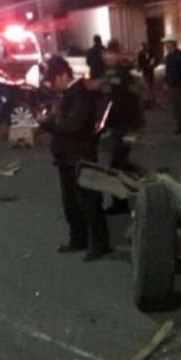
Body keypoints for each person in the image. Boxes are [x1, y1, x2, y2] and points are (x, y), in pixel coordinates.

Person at [38, 55, 112, 262]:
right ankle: (78, 239)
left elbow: (73, 126)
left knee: (89, 202)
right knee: (71, 203)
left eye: (53, 80)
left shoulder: (80, 93)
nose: (52, 86)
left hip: (80, 156)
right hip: (66, 159)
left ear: (62, 75)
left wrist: (48, 123)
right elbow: (63, 120)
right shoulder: (67, 95)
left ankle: (99, 244)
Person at [100, 39, 137, 214]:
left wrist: (134, 126)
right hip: (114, 124)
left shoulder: (123, 74)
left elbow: (132, 100)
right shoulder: (108, 73)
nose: (109, 55)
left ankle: (121, 203)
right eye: (107, 52)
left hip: (124, 125)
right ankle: (138, 186)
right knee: (120, 163)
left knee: (118, 164)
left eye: (112, 52)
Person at [137, 42, 158, 108]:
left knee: (151, 86)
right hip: (145, 71)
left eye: (142, 47)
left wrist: (153, 64)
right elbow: (140, 62)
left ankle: (152, 100)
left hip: (150, 71)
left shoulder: (150, 52)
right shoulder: (140, 54)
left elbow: (155, 59)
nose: (141, 48)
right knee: (146, 86)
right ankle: (148, 101)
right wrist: (140, 68)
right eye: (141, 47)